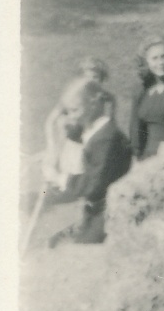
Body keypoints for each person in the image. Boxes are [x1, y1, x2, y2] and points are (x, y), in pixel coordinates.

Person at [44, 78, 132, 246]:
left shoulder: (106, 138)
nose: (71, 116)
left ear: (93, 105)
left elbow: (94, 184)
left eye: (75, 110)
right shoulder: (95, 131)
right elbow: (82, 139)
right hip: (97, 208)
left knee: (81, 248)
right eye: (68, 111)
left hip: (110, 211)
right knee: (64, 241)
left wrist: (59, 178)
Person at [42, 56, 116, 191]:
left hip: (94, 142)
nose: (91, 81)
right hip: (73, 141)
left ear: (102, 79)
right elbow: (51, 120)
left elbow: (110, 125)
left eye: (96, 77)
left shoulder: (107, 99)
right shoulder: (75, 95)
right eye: (87, 78)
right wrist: (51, 143)